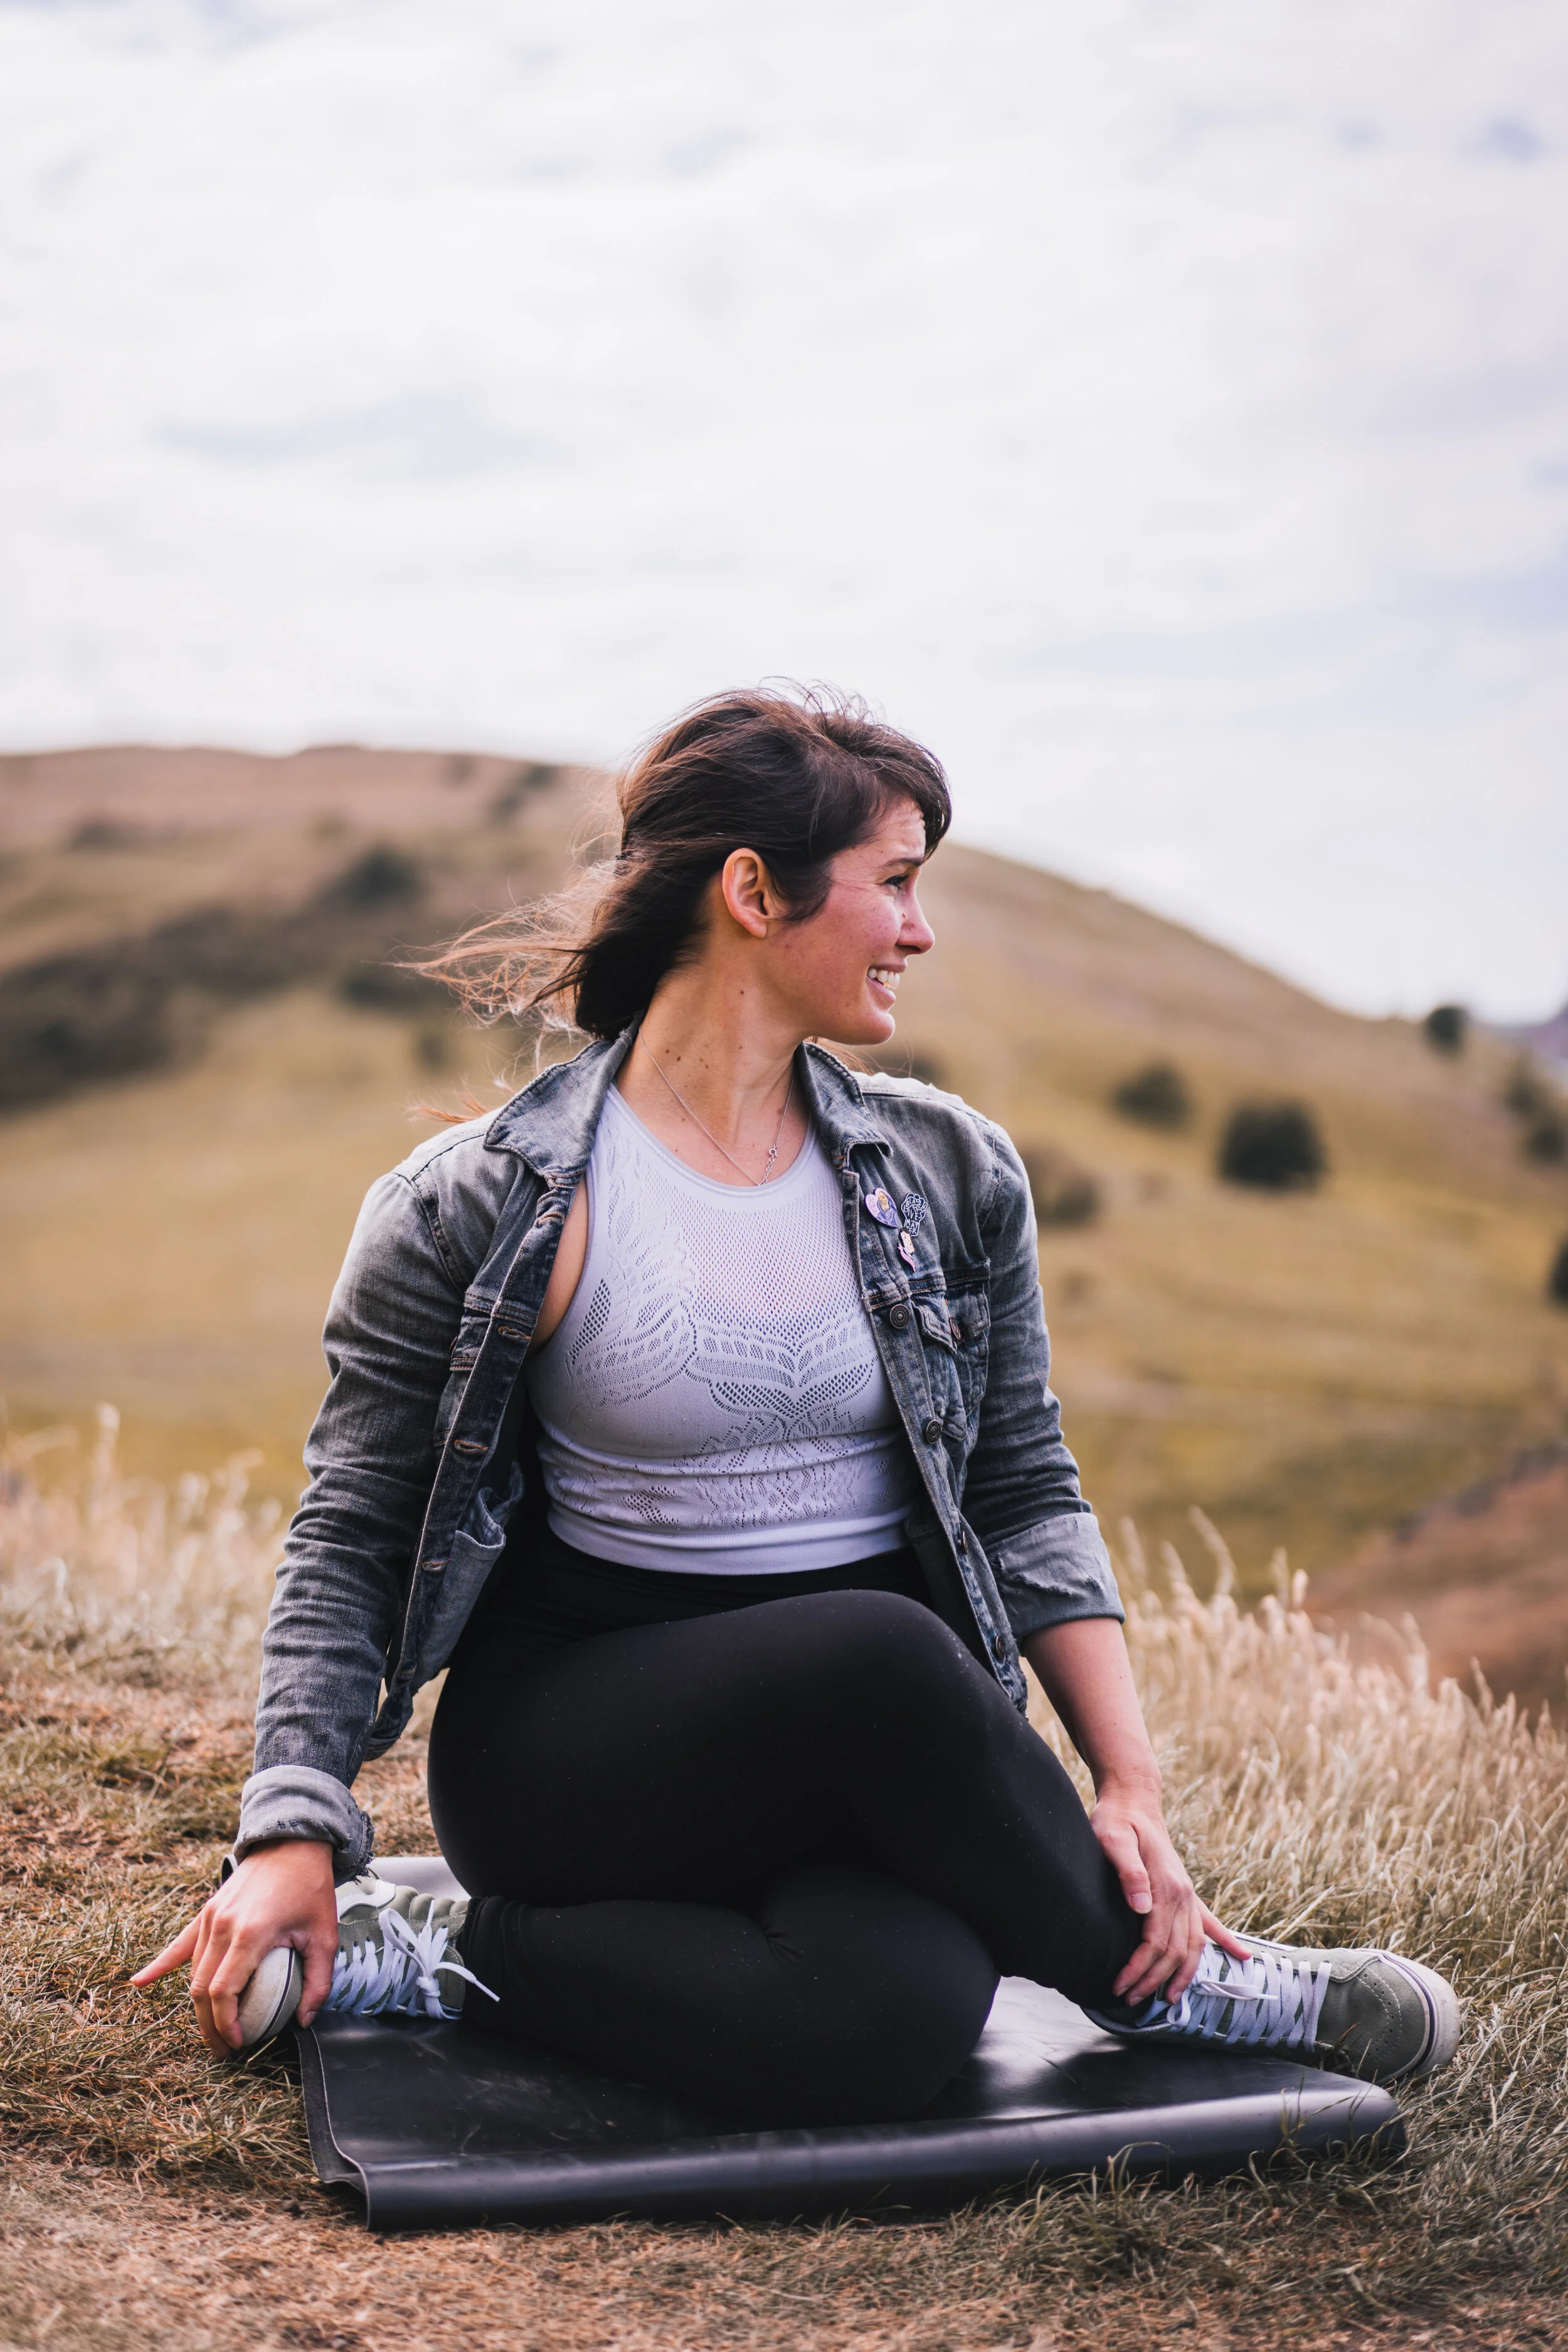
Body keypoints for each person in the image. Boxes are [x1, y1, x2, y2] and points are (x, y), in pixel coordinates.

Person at [134, 689, 1459, 2121]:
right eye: (893, 885)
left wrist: (1124, 1784)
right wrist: (291, 1827)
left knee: (885, 2020)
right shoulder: (479, 1205)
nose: (918, 929)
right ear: (754, 893)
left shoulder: (948, 1174)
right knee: (883, 1657)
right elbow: (353, 1536)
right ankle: (1186, 1988)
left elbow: (1020, 1482)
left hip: (860, 1762)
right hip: (581, 1752)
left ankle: (444, 1953)